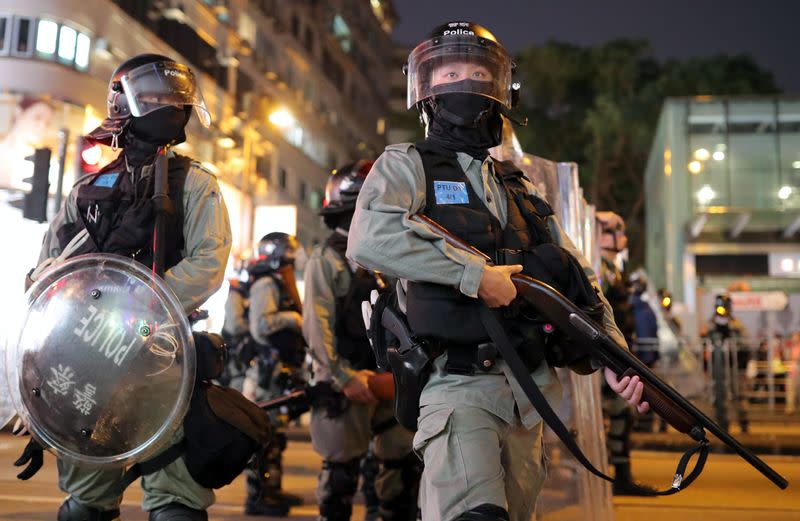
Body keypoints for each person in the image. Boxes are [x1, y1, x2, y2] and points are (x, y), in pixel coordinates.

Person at [347, 22, 648, 521]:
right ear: (426, 89)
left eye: (477, 73)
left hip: (527, 396)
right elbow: (370, 239)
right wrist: (474, 275)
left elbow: (578, 275)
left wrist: (612, 355)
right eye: (449, 73)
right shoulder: (405, 164)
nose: (463, 83)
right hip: (455, 383)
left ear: (499, 90)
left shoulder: (520, 186)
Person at [32, 54, 232, 521]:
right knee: (86, 501)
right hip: (87, 358)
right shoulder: (87, 189)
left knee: (174, 499)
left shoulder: (195, 183)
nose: (167, 106)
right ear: (125, 103)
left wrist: (141, 302)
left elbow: (208, 264)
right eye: (155, 95)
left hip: (159, 352)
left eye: (173, 98)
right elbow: (45, 274)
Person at [303, 161, 420, 521]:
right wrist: (344, 378)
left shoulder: (384, 259)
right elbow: (316, 328)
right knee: (340, 476)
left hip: (387, 383)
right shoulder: (327, 262)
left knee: (399, 470)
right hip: (346, 384)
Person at [241, 232, 306, 516]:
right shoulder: (266, 283)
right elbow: (261, 325)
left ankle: (272, 490)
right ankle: (258, 497)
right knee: (262, 437)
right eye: (289, 257)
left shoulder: (277, 283)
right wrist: (294, 319)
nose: (292, 262)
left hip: (276, 373)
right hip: (266, 374)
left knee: (275, 437)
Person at [595, 211, 654, 495]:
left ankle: (621, 476)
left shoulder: (611, 267)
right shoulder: (598, 267)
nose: (622, 235)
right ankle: (618, 478)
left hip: (616, 354)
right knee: (616, 415)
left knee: (622, 417)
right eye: (615, 229)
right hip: (605, 359)